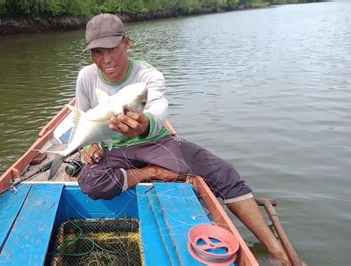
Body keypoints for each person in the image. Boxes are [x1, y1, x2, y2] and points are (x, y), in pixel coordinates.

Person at [75, 13, 290, 265]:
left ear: (126, 42)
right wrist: (90, 147)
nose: (106, 59)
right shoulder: (86, 78)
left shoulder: (147, 75)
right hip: (116, 152)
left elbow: (157, 108)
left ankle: (276, 250)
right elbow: (86, 122)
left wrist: (144, 123)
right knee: (90, 182)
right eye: (97, 52)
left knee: (223, 172)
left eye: (111, 48)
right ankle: (153, 172)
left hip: (154, 142)